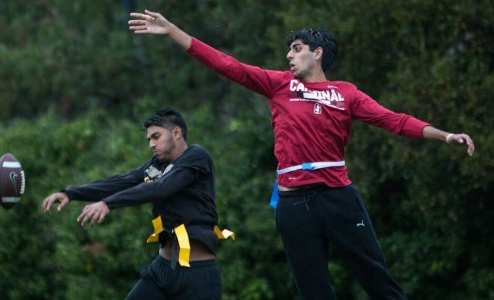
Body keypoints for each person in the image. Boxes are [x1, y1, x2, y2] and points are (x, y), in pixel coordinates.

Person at [128, 10, 475, 300]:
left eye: (297, 49)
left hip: (338, 199)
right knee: (313, 293)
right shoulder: (278, 84)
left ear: (317, 53)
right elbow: (226, 64)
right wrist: (173, 31)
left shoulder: (345, 93)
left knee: (377, 280)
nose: (289, 56)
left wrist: (444, 135)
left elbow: (394, 120)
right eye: (289, 51)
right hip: (294, 208)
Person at [42, 107, 232, 300]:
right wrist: (70, 193)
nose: (151, 144)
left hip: (197, 277)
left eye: (156, 136)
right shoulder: (155, 166)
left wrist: (108, 204)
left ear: (176, 133)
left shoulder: (196, 156)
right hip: (161, 270)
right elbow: (118, 182)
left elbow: (161, 188)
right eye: (149, 139)